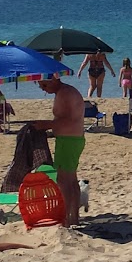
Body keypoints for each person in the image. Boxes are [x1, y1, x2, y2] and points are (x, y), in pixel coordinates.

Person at [34, 76, 87, 227]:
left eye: (44, 84)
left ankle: (67, 219)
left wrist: (47, 124)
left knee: (63, 180)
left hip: (69, 140)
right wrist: (51, 129)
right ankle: (74, 218)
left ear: (54, 80)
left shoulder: (65, 93)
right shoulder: (65, 92)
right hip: (72, 138)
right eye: (40, 86)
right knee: (71, 179)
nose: (43, 88)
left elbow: (71, 120)